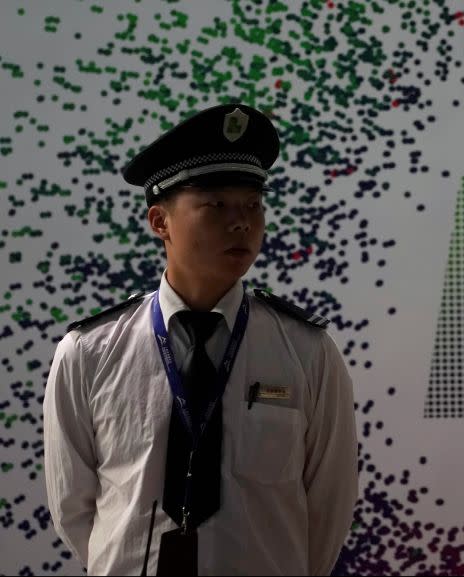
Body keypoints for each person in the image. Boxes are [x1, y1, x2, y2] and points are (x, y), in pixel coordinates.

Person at [43, 103, 358, 575]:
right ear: (159, 222)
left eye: (252, 205)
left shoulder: (308, 352)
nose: (241, 222)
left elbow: (329, 503)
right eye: (216, 205)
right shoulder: (89, 353)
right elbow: (74, 507)